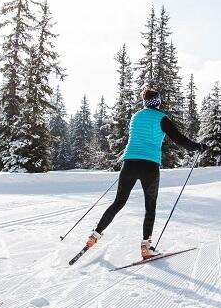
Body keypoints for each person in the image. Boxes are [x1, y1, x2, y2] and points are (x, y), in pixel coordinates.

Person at [80, 87, 205, 260]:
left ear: (145, 102)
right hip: (149, 166)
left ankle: (95, 235)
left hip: (129, 163)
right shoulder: (162, 118)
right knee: (150, 206)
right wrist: (198, 147)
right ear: (158, 102)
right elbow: (179, 139)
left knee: (118, 202)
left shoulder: (136, 117)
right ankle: (146, 247)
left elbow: (135, 139)